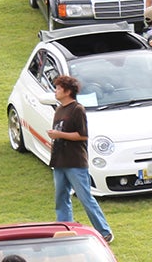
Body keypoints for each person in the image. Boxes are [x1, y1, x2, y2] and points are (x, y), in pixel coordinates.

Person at [48, 74, 113, 244]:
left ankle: (104, 231)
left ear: (68, 91)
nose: (55, 91)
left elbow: (83, 136)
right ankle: (65, 229)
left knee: (85, 197)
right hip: (59, 161)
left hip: (75, 162)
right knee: (60, 198)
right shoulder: (59, 109)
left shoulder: (77, 109)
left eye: (58, 88)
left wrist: (59, 134)